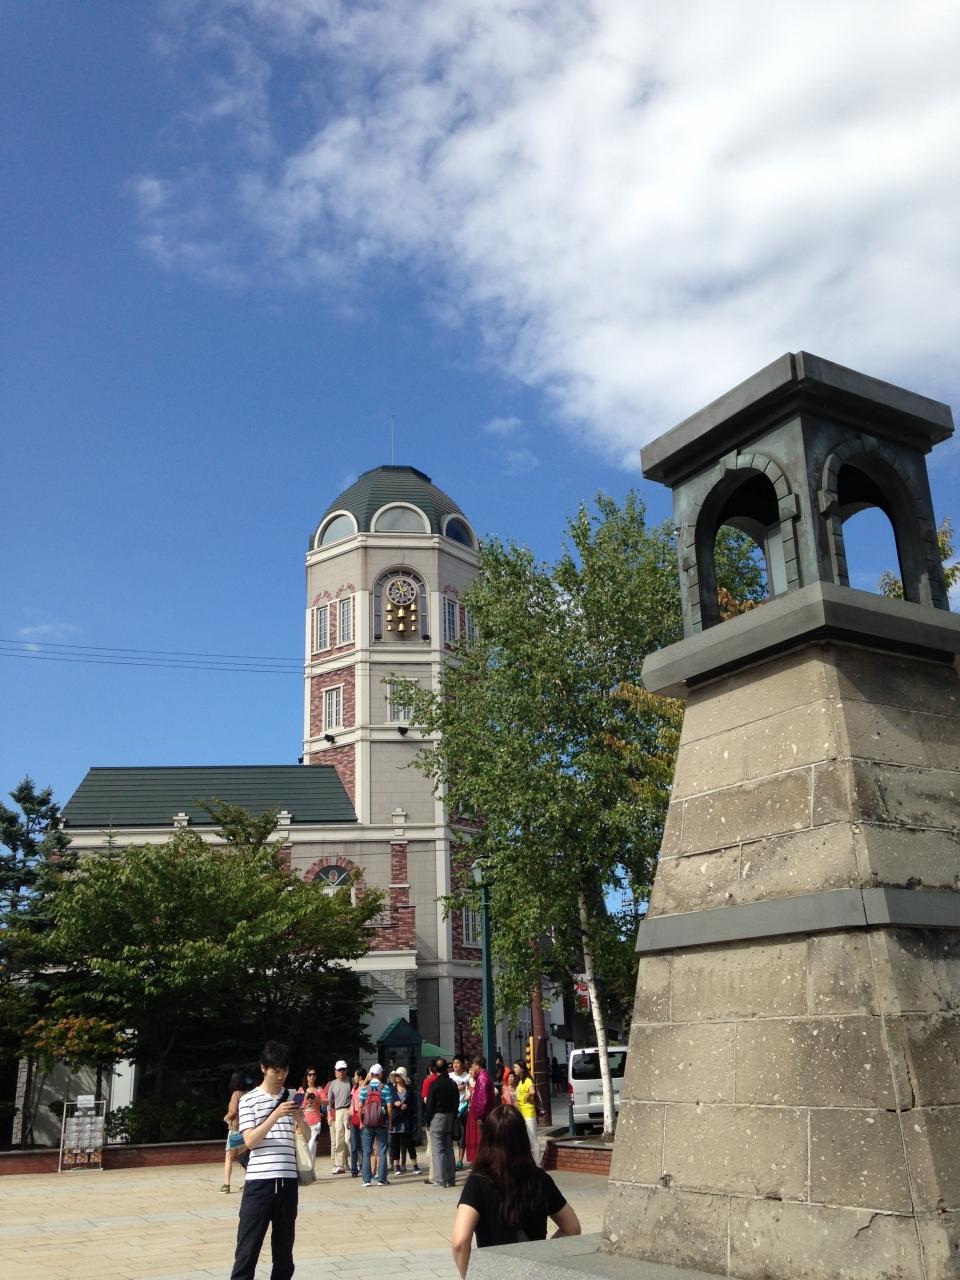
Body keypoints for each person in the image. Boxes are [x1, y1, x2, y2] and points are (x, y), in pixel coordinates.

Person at [450, 1105, 580, 1278]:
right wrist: (543, 1255)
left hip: (495, 1273)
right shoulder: (541, 1179)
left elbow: (459, 1242)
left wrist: (469, 1275)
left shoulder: (478, 1182)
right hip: (533, 1273)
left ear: (487, 1138)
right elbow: (572, 1228)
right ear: (523, 1138)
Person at [230, 1040, 308, 1280]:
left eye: (284, 1070)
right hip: (259, 1184)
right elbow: (250, 1141)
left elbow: (306, 1136)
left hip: (287, 1182)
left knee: (284, 1254)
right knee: (247, 1251)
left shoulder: (293, 1096)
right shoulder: (248, 1100)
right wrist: (275, 1115)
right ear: (263, 1068)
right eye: (276, 1070)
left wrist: (300, 1119)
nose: (281, 1076)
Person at [423, 1056, 460, 1189]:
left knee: (438, 1150)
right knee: (449, 1148)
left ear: (434, 1069)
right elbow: (456, 1101)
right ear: (446, 1068)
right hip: (450, 1116)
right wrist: (454, 1115)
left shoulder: (435, 1084)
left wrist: (427, 1120)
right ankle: (451, 1179)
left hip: (437, 1117)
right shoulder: (452, 1083)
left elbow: (430, 1105)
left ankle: (440, 1179)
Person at [358, 1063, 394, 1186]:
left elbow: (360, 1106)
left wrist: (361, 1122)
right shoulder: (385, 1088)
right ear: (380, 1074)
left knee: (367, 1152)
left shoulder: (365, 1089)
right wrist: (390, 1123)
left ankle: (366, 1180)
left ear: (371, 1075)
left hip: (367, 1124)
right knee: (382, 1151)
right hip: (382, 1123)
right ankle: (381, 1179)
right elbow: (389, 1107)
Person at [221, 1070, 250, 1194]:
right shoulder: (248, 1094)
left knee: (229, 1157)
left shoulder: (236, 1094)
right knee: (244, 1157)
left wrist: (226, 1117)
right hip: (247, 1129)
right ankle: (249, 1183)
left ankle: (226, 1185)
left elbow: (233, 1111)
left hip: (235, 1130)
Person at [389, 1066, 420, 1175]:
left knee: (410, 1143)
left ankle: (415, 1165)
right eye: (395, 1075)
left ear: (403, 1077)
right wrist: (395, 1104)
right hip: (395, 1120)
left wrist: (407, 1106)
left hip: (407, 1120)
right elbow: (387, 1103)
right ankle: (397, 1165)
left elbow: (414, 1105)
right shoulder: (391, 1090)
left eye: (398, 1075)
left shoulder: (410, 1090)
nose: (397, 1077)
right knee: (395, 1144)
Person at [464, 1056, 494, 1164]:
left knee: (484, 1140)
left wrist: (480, 1115)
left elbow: (482, 1099)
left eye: (473, 1064)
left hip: (483, 1115)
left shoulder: (482, 1078)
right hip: (484, 1114)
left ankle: (485, 1163)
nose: (472, 1066)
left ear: (478, 1065)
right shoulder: (483, 1076)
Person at [326, 1059, 352, 1175]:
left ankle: (356, 1162)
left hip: (348, 1111)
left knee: (349, 1139)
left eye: (343, 1069)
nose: (342, 1071)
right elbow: (329, 1101)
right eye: (339, 1069)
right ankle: (340, 1165)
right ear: (335, 1071)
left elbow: (356, 1097)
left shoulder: (351, 1081)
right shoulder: (333, 1084)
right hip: (338, 1112)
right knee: (339, 1140)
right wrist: (329, 1116)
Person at [513, 1059, 540, 1162]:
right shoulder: (520, 1081)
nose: (514, 1069)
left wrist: (526, 1097)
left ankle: (537, 1163)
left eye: (516, 1067)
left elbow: (532, 1091)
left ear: (522, 1069)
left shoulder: (528, 1080)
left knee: (532, 1139)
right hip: (521, 1113)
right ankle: (530, 1162)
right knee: (525, 1139)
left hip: (528, 1113)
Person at [420, 1058, 439, 1183]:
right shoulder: (448, 1079)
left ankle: (433, 1176)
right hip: (446, 1116)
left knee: (431, 1147)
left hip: (432, 1117)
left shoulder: (428, 1081)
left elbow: (426, 1101)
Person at [450, 1056, 470, 1170]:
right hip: (452, 1109)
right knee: (450, 1134)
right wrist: (456, 1088)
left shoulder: (468, 1076)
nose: (455, 1065)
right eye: (454, 1063)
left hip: (464, 1109)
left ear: (462, 1064)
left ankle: (460, 1161)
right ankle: (450, 1159)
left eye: (457, 1063)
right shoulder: (449, 1076)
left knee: (462, 1134)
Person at [300, 1067, 323, 1162]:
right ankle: (306, 1169)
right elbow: (296, 1105)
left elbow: (326, 1101)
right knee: (304, 1147)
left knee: (312, 1147)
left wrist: (317, 1099)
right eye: (310, 1075)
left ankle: (311, 1169)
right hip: (304, 1123)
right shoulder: (302, 1090)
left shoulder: (319, 1089)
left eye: (314, 1074)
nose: (312, 1076)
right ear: (306, 1077)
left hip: (316, 1122)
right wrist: (305, 1100)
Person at [348, 1068, 364, 1177]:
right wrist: (349, 1116)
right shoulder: (354, 1087)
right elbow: (352, 1102)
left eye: (355, 1075)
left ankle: (363, 1167)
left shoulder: (365, 1087)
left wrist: (365, 1080)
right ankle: (354, 1169)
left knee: (362, 1145)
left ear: (360, 1077)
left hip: (362, 1116)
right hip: (353, 1117)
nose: (354, 1077)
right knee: (354, 1145)